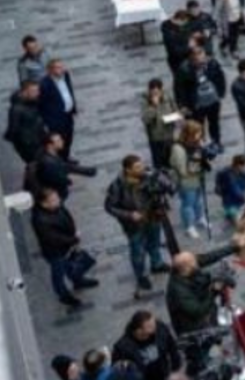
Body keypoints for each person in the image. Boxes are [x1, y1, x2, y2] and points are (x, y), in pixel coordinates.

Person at [106, 155, 168, 297]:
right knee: (137, 252)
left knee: (155, 243)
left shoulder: (148, 176)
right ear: (128, 170)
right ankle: (140, 276)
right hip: (134, 225)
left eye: (142, 165)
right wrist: (129, 215)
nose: (142, 169)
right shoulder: (117, 185)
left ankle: (156, 264)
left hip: (153, 217)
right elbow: (109, 207)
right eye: (137, 167)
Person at [31, 188, 99, 308]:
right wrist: (74, 239)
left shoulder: (57, 206)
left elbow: (67, 216)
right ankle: (63, 295)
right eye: (53, 199)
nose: (58, 200)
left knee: (70, 265)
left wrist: (73, 233)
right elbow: (53, 238)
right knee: (58, 274)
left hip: (67, 246)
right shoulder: (40, 220)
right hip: (55, 252)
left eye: (57, 197)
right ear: (44, 203)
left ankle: (78, 281)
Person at [111, 310, 182, 380]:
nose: (155, 327)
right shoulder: (122, 347)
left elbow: (172, 346)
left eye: (154, 323)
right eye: (150, 326)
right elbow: (117, 370)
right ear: (138, 330)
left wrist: (176, 368)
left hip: (162, 372)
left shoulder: (160, 328)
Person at [174, 46, 227, 147]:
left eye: (201, 54)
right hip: (197, 105)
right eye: (196, 56)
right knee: (199, 126)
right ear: (191, 58)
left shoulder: (212, 63)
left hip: (213, 101)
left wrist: (220, 93)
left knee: (214, 123)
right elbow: (179, 89)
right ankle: (201, 145)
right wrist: (183, 105)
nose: (200, 58)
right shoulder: (184, 70)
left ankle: (216, 142)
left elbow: (220, 77)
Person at [169, 121, 211, 241]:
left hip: (198, 179)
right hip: (186, 181)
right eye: (197, 133)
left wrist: (205, 156)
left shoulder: (197, 144)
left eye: (200, 133)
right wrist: (197, 162)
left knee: (198, 200)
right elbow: (182, 170)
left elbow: (203, 160)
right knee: (188, 204)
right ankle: (189, 226)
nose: (200, 136)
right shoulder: (178, 148)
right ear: (188, 134)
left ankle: (200, 218)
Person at [38, 59, 80, 159]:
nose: (61, 70)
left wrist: (73, 108)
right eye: (58, 68)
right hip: (55, 120)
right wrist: (47, 122)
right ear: (50, 70)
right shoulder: (45, 84)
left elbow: (69, 90)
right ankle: (61, 161)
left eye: (62, 67)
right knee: (59, 141)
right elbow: (41, 105)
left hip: (68, 115)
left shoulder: (66, 75)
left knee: (69, 138)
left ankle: (66, 156)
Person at [4, 81, 48, 165]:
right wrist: (25, 143)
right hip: (29, 146)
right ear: (24, 92)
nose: (37, 93)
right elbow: (13, 131)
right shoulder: (16, 109)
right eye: (34, 91)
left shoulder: (32, 102)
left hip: (39, 141)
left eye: (38, 91)